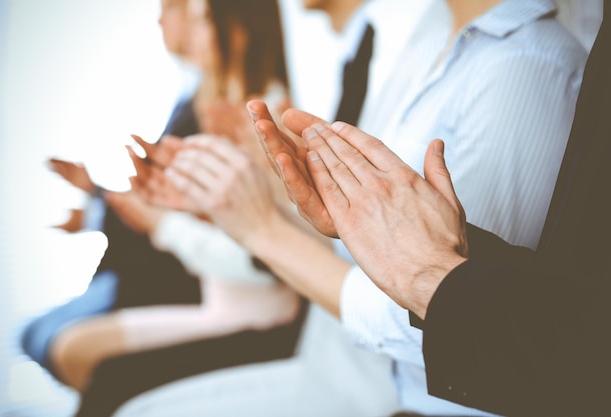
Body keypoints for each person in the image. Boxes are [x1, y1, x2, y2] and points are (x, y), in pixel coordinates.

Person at [147, 0, 587, 415]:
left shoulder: (526, 66)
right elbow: (379, 248)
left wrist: (263, 229)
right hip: (333, 368)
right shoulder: (434, 42)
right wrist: (270, 198)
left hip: (389, 399)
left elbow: (455, 322)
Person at [68, 0, 309, 416]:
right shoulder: (216, 107)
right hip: (223, 297)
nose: (187, 34)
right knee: (81, 357)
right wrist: (178, 206)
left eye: (199, 21)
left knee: (93, 371)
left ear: (235, 31)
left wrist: (164, 224)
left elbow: (267, 256)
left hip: (261, 313)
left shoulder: (267, 116)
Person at [20, 0, 203, 385]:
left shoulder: (211, 106)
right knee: (36, 338)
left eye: (171, 7)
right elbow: (165, 201)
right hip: (152, 262)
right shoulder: (190, 95)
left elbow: (177, 210)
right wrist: (95, 199)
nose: (159, 17)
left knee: (43, 339)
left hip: (166, 276)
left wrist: (97, 210)